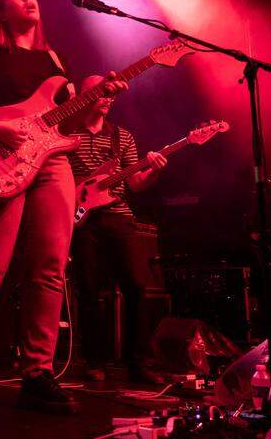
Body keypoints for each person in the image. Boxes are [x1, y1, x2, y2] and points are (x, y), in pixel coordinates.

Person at [0, 0, 125, 414]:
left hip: (52, 164)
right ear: (1, 11)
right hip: (0, 156)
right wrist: (2, 130)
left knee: (50, 269)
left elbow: (67, 124)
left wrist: (99, 100)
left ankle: (37, 374)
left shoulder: (54, 60)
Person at [64, 74, 167, 381]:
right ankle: (94, 362)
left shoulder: (122, 137)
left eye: (111, 96)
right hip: (81, 217)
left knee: (136, 286)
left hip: (118, 215)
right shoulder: (68, 133)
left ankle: (138, 363)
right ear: (85, 95)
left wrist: (154, 172)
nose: (107, 99)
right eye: (101, 93)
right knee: (90, 289)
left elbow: (135, 183)